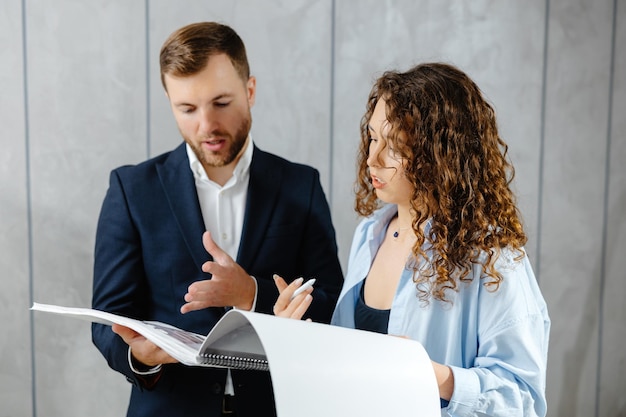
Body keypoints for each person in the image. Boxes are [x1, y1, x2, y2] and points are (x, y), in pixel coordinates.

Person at [91, 21, 343, 417]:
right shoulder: (131, 189)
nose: (206, 125)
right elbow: (107, 319)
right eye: (187, 109)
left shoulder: (301, 185)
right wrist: (140, 357)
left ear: (250, 91)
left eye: (221, 103)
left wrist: (253, 295)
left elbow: (333, 309)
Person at [274, 62, 550, 416]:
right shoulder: (369, 234)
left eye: (395, 146)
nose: (372, 158)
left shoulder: (492, 257)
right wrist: (295, 339)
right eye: (373, 137)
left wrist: (435, 376)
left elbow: (522, 400)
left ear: (441, 154)